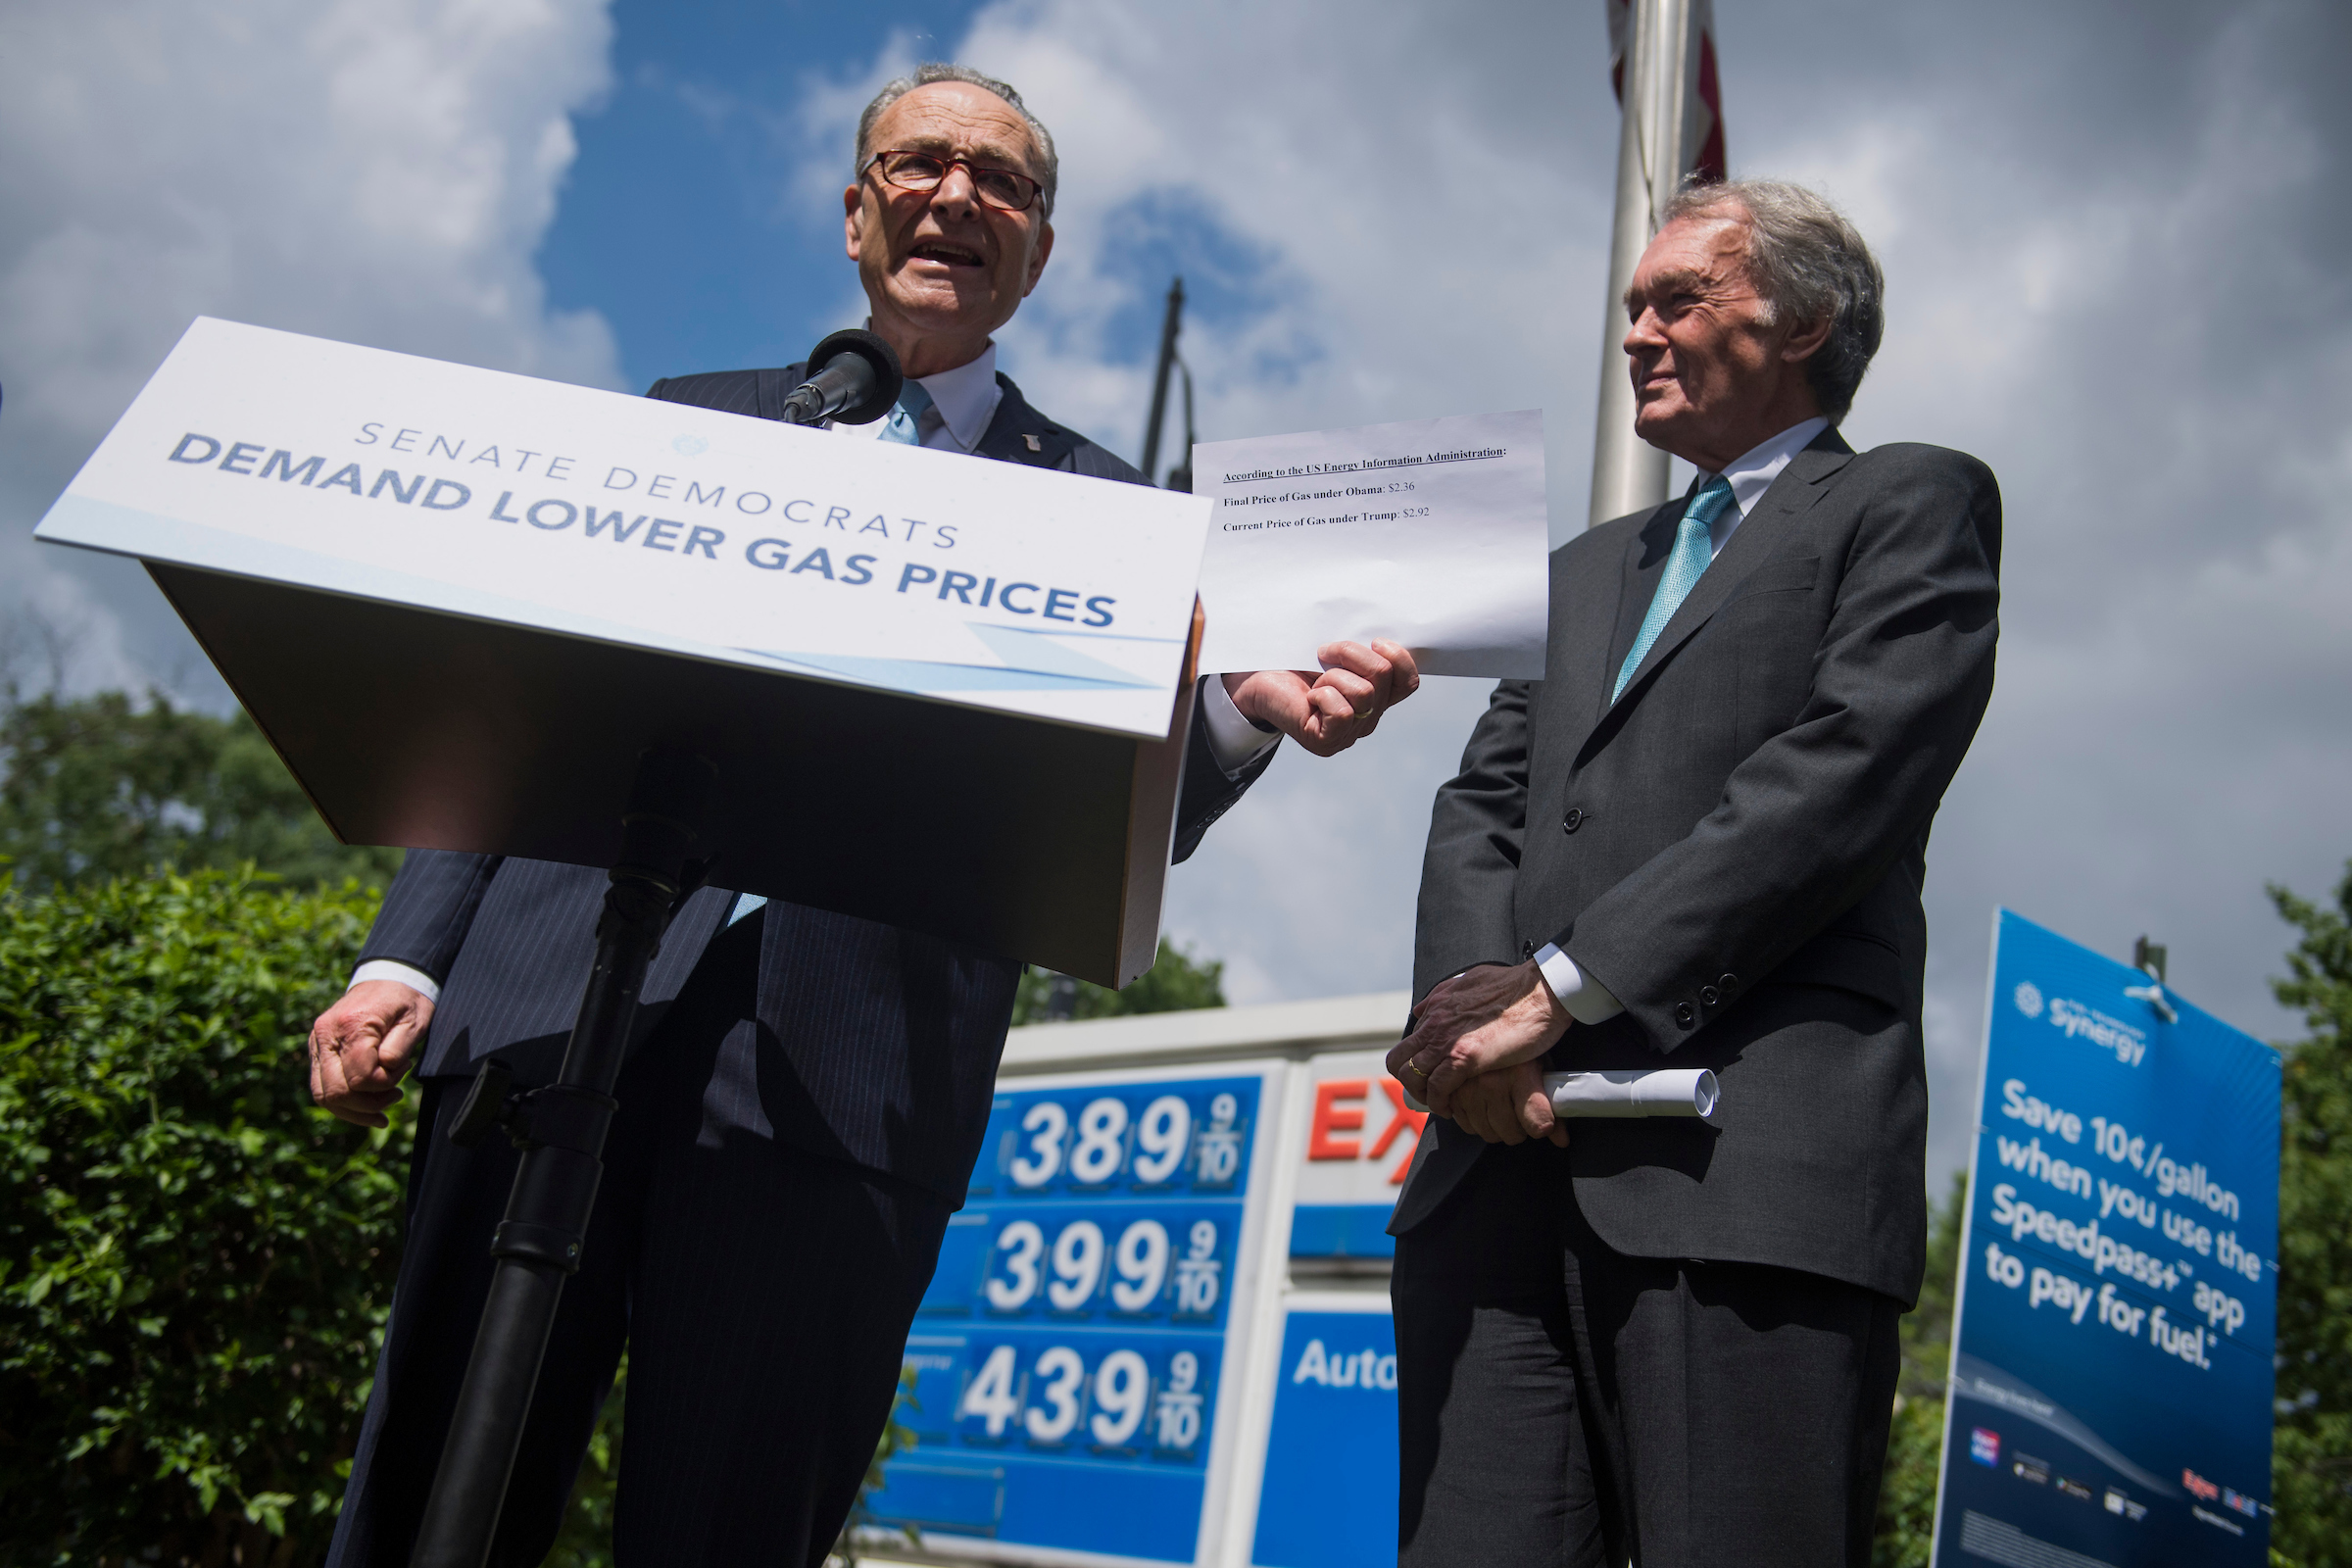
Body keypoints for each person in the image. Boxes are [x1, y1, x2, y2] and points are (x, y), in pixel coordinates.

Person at [313, 64, 1420, 1568]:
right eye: (919, 163)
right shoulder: (677, 422)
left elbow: (1113, 828)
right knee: (430, 1501)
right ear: (855, 213)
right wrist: (406, 957)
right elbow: (518, 699)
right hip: (539, 1015)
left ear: (1037, 253)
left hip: (844, 1094)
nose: (956, 195)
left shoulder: (1114, 521)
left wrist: (1237, 710)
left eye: (1003, 182)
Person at [1385, 179, 2000, 1567]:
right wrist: (1465, 1034)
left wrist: (1565, 984)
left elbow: (1847, 773)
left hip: (1742, 1183)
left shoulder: (1910, 502)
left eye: (1679, 300)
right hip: (1497, 1172)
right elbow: (1480, 805)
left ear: (1808, 323)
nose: (1638, 333)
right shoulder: (1581, 571)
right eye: (1631, 309)